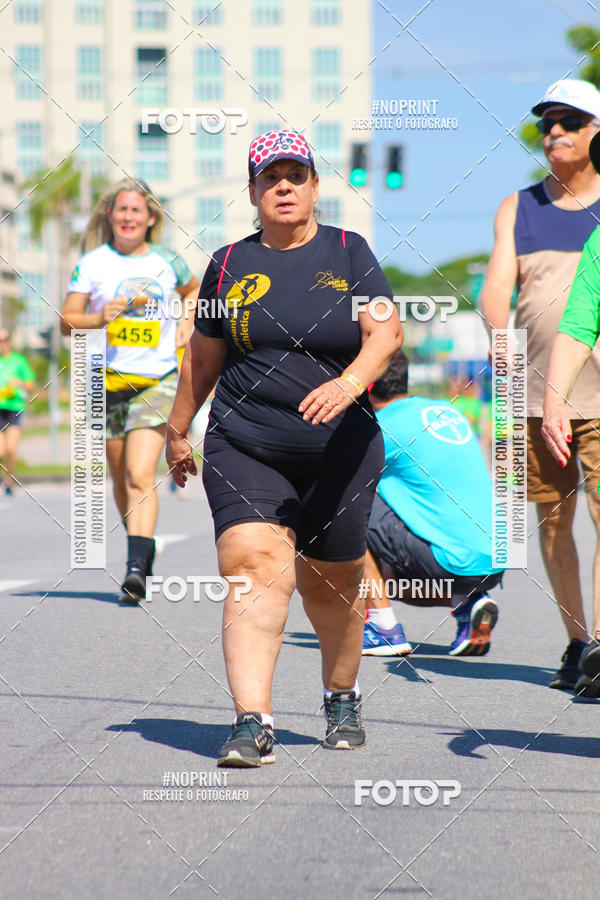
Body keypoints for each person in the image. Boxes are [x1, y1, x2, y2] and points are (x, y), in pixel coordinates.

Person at [166, 130, 402, 766]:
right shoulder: (226, 264)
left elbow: (385, 331)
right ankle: (253, 721)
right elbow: (204, 355)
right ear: (252, 192)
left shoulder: (350, 252)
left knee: (332, 584)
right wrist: (178, 426)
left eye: (295, 175)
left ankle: (342, 694)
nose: (284, 187)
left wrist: (350, 381)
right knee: (251, 562)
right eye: (270, 178)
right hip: (247, 442)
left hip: (342, 448)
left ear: (316, 186)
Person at [480, 79, 600, 695]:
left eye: (570, 121)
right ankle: (579, 642)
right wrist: (504, 357)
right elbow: (496, 293)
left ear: (597, 133)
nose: (554, 131)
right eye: (546, 123)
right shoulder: (518, 208)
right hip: (533, 396)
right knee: (553, 523)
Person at [61, 178, 200, 602]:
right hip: (104, 382)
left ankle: (135, 569)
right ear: (110, 216)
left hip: (156, 381)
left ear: (150, 218)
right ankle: (141, 549)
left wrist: (186, 321)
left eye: (136, 211)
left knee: (142, 474)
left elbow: (193, 290)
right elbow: (66, 321)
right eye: (121, 210)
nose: (128, 217)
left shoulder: (167, 261)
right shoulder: (92, 263)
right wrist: (98, 316)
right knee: (121, 479)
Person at [362, 350, 503, 658]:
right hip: (496, 560)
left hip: (448, 563)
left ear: (367, 385)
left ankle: (384, 628)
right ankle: (466, 602)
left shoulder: (380, 427)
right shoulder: (447, 410)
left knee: (342, 511)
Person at [540, 129, 600, 699]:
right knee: (551, 517)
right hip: (548, 399)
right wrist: (552, 400)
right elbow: (579, 325)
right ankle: (589, 640)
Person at [0, 328, 35, 494]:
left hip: (14, 408)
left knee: (11, 449)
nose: (1, 344)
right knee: (0, 451)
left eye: (3, 340)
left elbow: (30, 384)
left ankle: (9, 480)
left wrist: (18, 383)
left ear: (9, 342)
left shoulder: (19, 361)